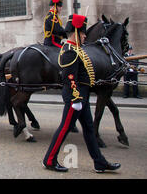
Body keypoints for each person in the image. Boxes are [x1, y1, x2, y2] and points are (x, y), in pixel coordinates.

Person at [43, 14, 121, 173]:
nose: (86, 35)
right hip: (76, 97)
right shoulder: (70, 51)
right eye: (83, 32)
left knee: (89, 130)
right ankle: (49, 159)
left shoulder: (77, 49)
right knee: (65, 127)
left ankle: (99, 162)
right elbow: (69, 77)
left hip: (81, 96)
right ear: (76, 33)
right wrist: (76, 97)